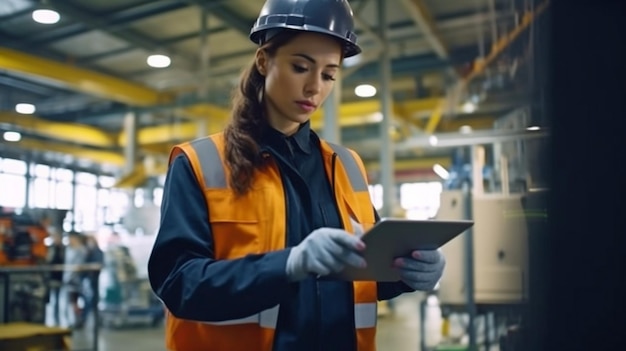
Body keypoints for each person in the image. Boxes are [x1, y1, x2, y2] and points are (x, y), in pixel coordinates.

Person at [147, 1, 446, 350]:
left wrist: (406, 271)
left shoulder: (347, 166)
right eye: (301, 67)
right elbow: (178, 283)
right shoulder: (201, 163)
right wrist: (288, 264)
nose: (314, 88)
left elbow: (361, 272)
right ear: (263, 61)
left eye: (329, 74)